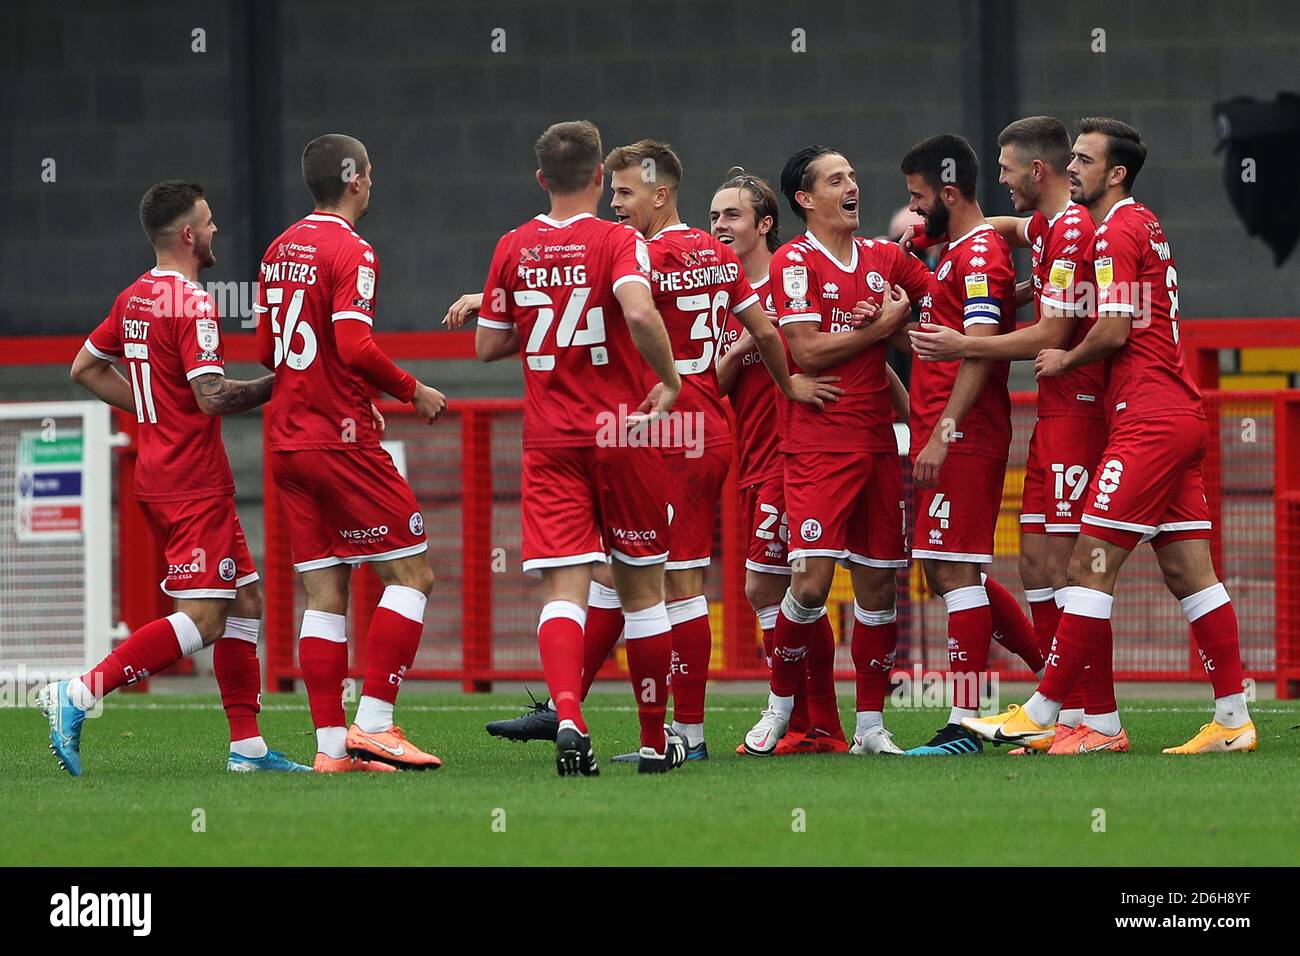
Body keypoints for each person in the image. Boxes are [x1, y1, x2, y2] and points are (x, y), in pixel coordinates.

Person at [964, 118, 1257, 755]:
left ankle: (1054, 712)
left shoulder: (1116, 230)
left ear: (1115, 173)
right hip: (1172, 413)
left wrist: (1067, 360)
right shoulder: (1139, 222)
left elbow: (1116, 328)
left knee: (1087, 563)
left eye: (1084, 160)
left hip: (1148, 421)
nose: (1073, 168)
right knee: (1189, 573)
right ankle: (1234, 718)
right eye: (1070, 158)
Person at [41, 180, 308, 776]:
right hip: (191, 482)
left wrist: (153, 408)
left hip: (167, 473)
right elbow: (212, 398)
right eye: (209, 223)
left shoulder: (135, 295)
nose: (216, 233)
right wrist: (287, 383)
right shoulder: (191, 302)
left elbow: (84, 367)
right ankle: (78, 694)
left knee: (245, 599)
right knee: (207, 617)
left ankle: (248, 749)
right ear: (188, 234)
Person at [473, 120, 691, 775]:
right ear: (600, 176)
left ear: (541, 179)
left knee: (564, 589)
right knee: (643, 591)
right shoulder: (619, 238)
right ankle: (656, 745)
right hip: (622, 433)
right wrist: (671, 379)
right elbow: (640, 312)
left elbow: (486, 345)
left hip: (550, 439)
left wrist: (542, 323)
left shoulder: (513, 245)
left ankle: (569, 714)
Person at [910, 116, 1124, 754]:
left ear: (1036, 171)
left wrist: (948, 411)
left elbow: (1046, 334)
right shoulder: (1039, 229)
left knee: (1053, 569)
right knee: (1029, 566)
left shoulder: (1065, 231)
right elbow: (1008, 234)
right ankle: (1062, 703)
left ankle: (1080, 715)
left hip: (1064, 414)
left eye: (1008, 170)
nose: (1001, 181)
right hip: (1047, 417)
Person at [256, 134, 448, 773]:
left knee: (324, 592)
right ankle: (376, 724)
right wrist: (411, 390)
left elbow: (267, 353)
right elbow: (354, 344)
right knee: (413, 575)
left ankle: (333, 750)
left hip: (286, 441)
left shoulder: (278, 249)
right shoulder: (353, 251)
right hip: (338, 440)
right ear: (359, 180)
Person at [741, 146, 920, 756]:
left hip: (875, 447)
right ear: (805, 199)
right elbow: (809, 351)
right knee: (812, 584)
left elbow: (947, 295)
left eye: (852, 175)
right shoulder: (796, 262)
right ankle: (779, 709)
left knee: (878, 590)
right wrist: (880, 327)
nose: (852, 186)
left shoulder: (883, 257)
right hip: (816, 446)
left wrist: (1044, 275)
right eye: (836, 179)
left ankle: (871, 728)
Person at [898, 133, 1046, 757]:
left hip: (964, 436)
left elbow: (981, 355)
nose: (910, 211)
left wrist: (941, 433)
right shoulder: (955, 249)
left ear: (949, 193)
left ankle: (962, 721)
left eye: (917, 197)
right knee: (947, 570)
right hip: (944, 430)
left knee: (957, 570)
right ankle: (1060, 676)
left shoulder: (978, 253)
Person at [712, 169, 848, 755]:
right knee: (791, 591)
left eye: (732, 216)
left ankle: (802, 719)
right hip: (753, 460)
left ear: (765, 224)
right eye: (714, 216)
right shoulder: (722, 300)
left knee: (767, 589)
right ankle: (820, 726)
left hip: (793, 457)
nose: (719, 226)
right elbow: (711, 383)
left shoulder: (791, 284)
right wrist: (747, 340)